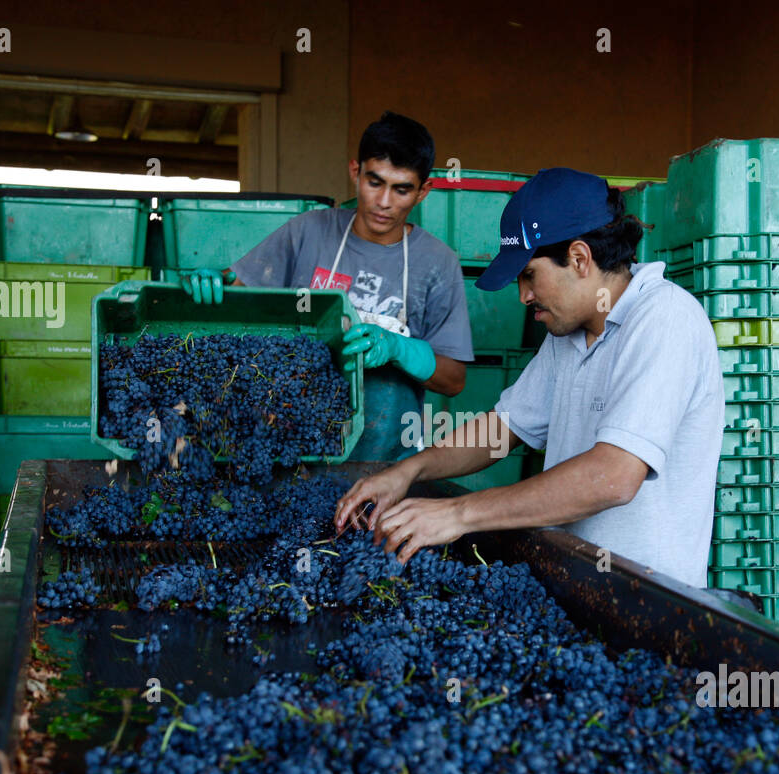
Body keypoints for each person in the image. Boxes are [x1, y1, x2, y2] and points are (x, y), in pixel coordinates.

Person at [333, 167, 724, 588]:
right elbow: (502, 431)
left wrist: (457, 514)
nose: (523, 296)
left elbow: (612, 477)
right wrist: (408, 472)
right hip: (574, 588)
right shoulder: (567, 336)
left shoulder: (665, 320)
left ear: (579, 258)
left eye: (529, 275)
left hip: (647, 605)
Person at [177, 111, 473, 461]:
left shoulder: (437, 262)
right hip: (292, 453)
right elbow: (234, 291)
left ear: (423, 191)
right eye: (374, 182)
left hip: (384, 464)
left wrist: (399, 349)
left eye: (402, 189)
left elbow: (453, 380)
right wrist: (208, 285)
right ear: (355, 172)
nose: (384, 202)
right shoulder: (308, 232)